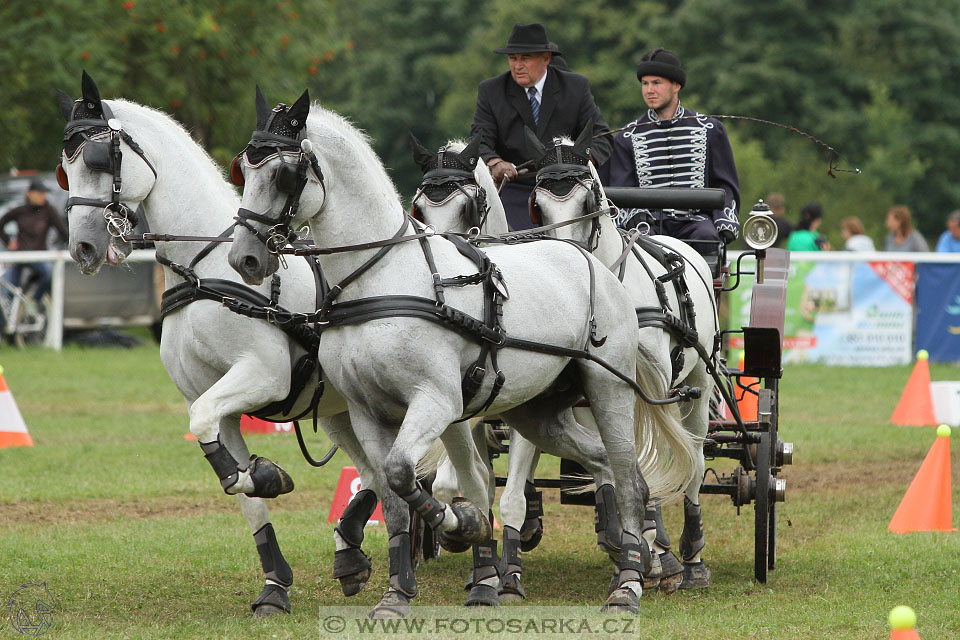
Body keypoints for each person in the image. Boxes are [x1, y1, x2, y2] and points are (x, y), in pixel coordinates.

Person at [470, 22, 611, 231]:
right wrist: (495, 162)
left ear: (546, 58)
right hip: (515, 190)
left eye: (525, 58)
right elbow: (479, 141)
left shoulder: (575, 86)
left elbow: (602, 137)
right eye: (513, 58)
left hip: (568, 187)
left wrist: (581, 158)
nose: (517, 66)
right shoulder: (491, 91)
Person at [599, 48, 740, 253]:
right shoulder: (627, 137)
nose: (649, 90)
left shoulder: (709, 129)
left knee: (707, 237)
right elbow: (621, 190)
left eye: (656, 83)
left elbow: (725, 184)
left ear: (676, 86)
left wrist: (724, 224)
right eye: (645, 84)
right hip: (649, 224)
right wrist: (636, 217)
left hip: (695, 221)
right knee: (641, 243)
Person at [0, 179, 69, 302]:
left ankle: (34, 300)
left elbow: (63, 232)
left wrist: (76, 245)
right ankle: (7, 316)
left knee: (49, 273)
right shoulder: (20, 210)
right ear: (29, 193)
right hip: (19, 256)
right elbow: (1, 223)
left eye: (44, 193)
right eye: (40, 193)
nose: (43, 196)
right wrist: (8, 241)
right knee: (6, 291)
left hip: (39, 256)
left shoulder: (49, 210)